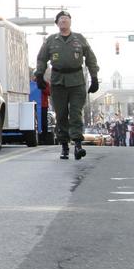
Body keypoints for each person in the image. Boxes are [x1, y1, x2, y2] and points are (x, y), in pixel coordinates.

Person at [34, 11, 99, 161]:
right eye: (61, 19)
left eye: (66, 19)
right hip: (58, 82)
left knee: (76, 113)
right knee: (61, 114)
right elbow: (42, 59)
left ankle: (77, 144)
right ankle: (64, 146)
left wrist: (94, 77)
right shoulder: (51, 40)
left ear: (70, 22)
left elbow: (90, 58)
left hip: (77, 81)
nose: (64, 21)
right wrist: (39, 75)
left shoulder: (79, 39)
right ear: (57, 23)